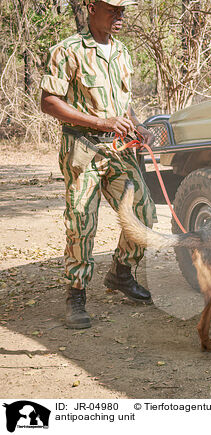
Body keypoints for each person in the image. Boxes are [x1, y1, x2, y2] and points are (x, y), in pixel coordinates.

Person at [40, 0, 156, 329]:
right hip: (82, 148)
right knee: (81, 223)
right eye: (112, 9)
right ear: (91, 7)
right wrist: (102, 122)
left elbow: (123, 102)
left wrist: (137, 125)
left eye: (123, 10)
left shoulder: (121, 52)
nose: (120, 15)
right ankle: (75, 295)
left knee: (144, 214)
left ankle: (121, 272)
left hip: (120, 149)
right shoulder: (68, 51)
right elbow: (49, 102)